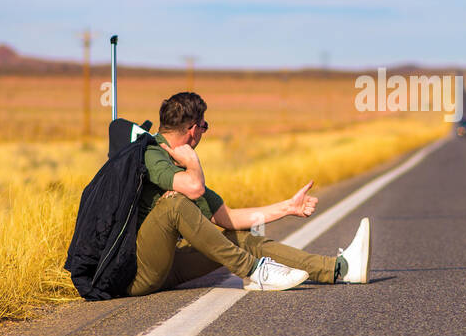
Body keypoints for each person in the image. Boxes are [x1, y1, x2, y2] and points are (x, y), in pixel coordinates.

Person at [127, 91, 371, 295]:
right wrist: (194, 164)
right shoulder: (152, 154)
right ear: (193, 130)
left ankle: (340, 269)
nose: (204, 131)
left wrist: (288, 207)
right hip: (138, 273)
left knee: (242, 237)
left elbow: (228, 218)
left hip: (170, 265)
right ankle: (254, 272)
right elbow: (194, 187)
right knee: (175, 204)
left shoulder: (176, 161)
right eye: (204, 126)